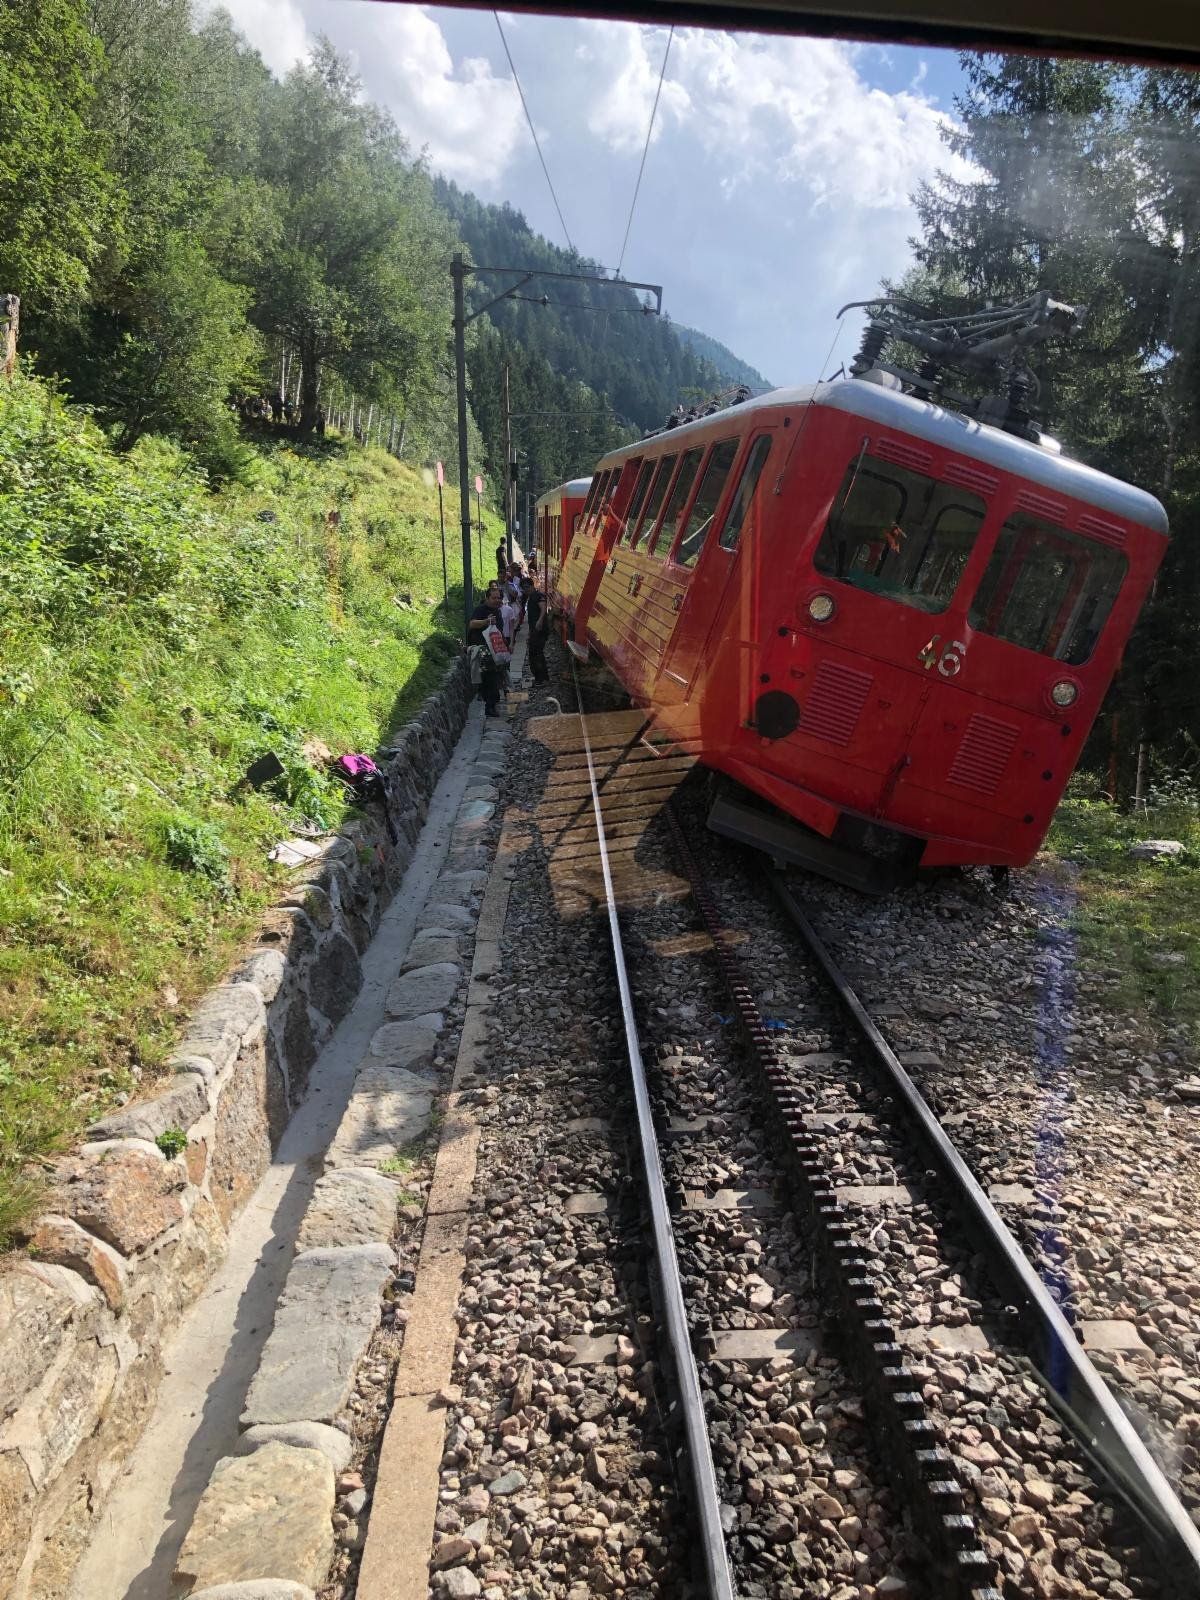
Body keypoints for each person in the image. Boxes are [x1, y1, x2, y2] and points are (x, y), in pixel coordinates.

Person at [467, 580, 504, 717]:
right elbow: (472, 624)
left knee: (494, 678)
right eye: (494, 598)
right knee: (490, 679)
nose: (497, 600)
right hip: (483, 651)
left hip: (494, 650)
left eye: (499, 598)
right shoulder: (481, 609)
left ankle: (491, 702)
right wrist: (486, 621)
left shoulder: (497, 611)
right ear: (487, 598)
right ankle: (490, 706)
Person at [523, 575, 550, 683]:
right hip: (534, 630)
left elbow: (543, 608)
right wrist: (530, 633)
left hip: (540, 630)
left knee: (536, 653)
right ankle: (543, 677)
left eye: (527, 587)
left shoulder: (538, 595)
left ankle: (540, 678)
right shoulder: (531, 598)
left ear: (532, 586)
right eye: (524, 588)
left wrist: (540, 621)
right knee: (535, 653)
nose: (525, 590)